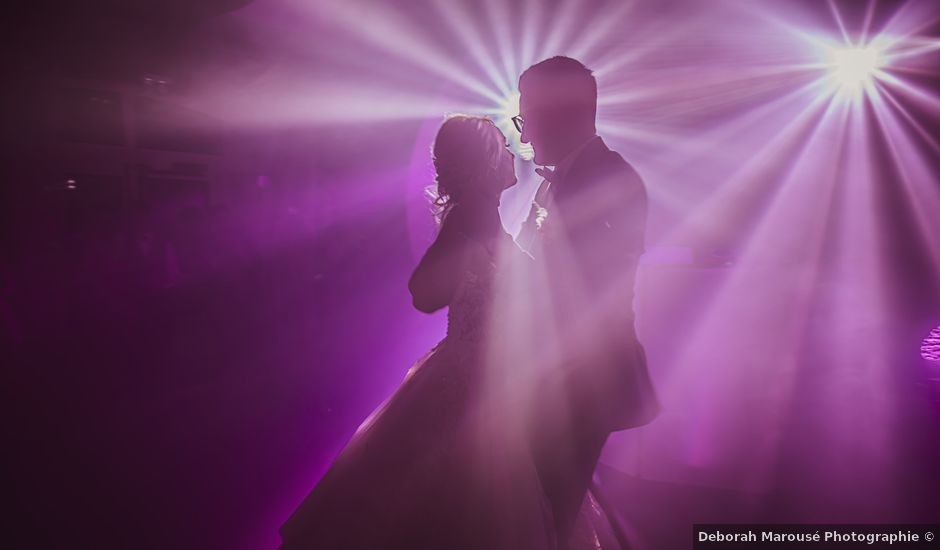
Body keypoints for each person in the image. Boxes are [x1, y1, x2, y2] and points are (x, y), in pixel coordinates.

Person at [278, 115, 559, 549]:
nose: (510, 153)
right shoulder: (472, 215)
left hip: (490, 374)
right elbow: (423, 293)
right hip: (473, 380)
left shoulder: (482, 214)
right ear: (483, 161)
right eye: (502, 145)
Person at [513, 56, 662, 549]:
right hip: (555, 376)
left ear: (560, 113)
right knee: (540, 511)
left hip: (580, 378)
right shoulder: (563, 178)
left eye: (527, 117)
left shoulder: (608, 180)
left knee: (548, 513)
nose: (526, 136)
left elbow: (592, 293)